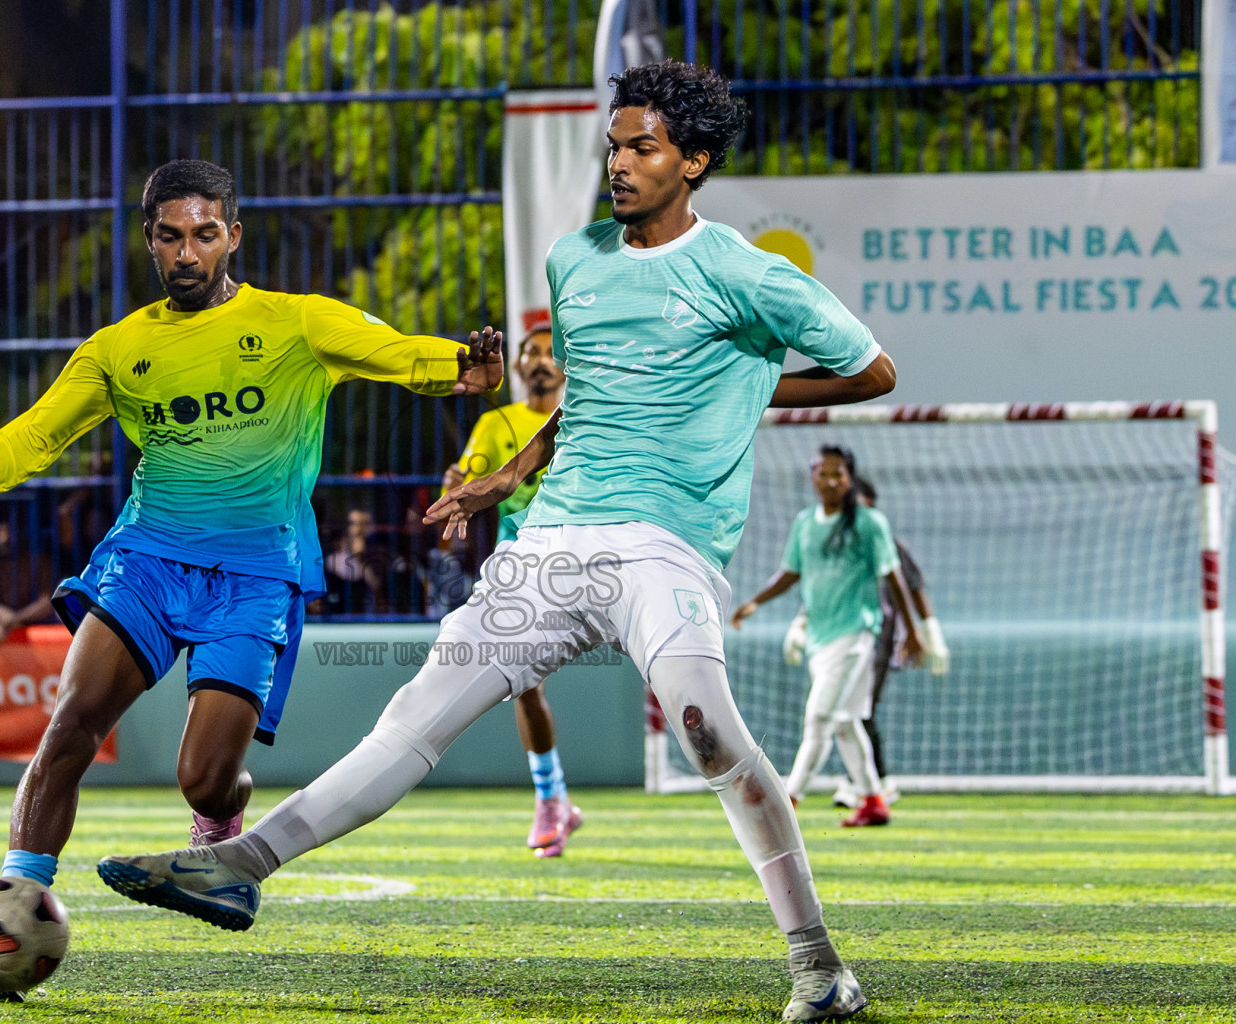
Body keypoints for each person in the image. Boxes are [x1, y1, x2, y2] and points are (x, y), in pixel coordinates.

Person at [98, 61, 901, 1022]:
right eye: (614, 144)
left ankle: (818, 966)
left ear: (694, 161)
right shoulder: (576, 260)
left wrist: (737, 388)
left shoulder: (745, 270)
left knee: (704, 726)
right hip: (554, 542)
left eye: (643, 146)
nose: (620, 161)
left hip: (665, 547)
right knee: (417, 711)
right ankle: (240, 865)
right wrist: (507, 475)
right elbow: (589, 398)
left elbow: (873, 370)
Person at [0, 158, 502, 1001]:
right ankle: (14, 900)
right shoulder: (119, 350)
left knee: (204, 777)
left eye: (204, 234)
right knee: (70, 722)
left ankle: (219, 839)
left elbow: (396, 353)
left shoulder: (297, 325)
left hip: (256, 577)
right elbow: (34, 437)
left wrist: (459, 369)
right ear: (149, 241)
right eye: (171, 235)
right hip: (147, 559)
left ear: (232, 237)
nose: (187, 251)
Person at [730, 447, 925, 830]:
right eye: (824, 473)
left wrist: (914, 630)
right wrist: (755, 602)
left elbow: (894, 576)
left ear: (849, 478)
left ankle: (786, 803)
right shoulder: (805, 523)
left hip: (855, 635)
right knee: (845, 723)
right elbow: (791, 572)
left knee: (819, 718)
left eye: (839, 473)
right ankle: (873, 802)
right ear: (812, 477)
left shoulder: (868, 523)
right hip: (821, 637)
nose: (831, 481)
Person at [444, 322, 581, 857]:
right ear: (520, 366)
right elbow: (467, 479)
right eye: (533, 352)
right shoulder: (497, 421)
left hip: (587, 546)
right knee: (524, 680)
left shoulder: (585, 415)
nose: (542, 360)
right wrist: (458, 483)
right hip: (522, 552)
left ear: (566, 367)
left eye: (552, 353)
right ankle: (551, 798)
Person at [785, 477, 949, 808]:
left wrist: (928, 633)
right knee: (849, 713)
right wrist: (800, 624)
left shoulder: (880, 538)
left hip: (872, 636)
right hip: (832, 635)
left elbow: (911, 585)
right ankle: (873, 789)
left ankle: (802, 793)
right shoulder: (832, 540)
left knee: (847, 712)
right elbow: (823, 587)